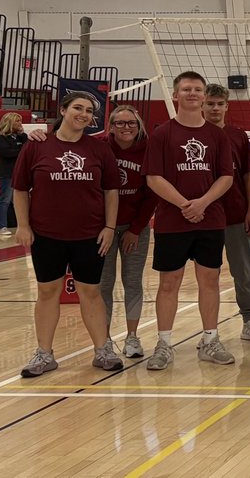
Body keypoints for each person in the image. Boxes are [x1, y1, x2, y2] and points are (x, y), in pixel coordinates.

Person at [13, 91, 122, 377]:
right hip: (46, 235)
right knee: (47, 292)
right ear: (63, 109)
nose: (83, 114)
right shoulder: (37, 146)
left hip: (90, 235)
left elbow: (111, 190)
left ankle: (103, 350)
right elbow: (20, 189)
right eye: (77, 107)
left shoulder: (99, 149)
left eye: (89, 111)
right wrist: (23, 226)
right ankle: (44, 353)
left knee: (91, 292)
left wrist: (109, 227)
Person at [143, 71, 237, 369]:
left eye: (197, 89)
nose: (192, 93)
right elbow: (153, 178)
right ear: (175, 95)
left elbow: (226, 176)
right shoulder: (162, 134)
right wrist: (186, 205)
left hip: (210, 220)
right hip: (173, 221)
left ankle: (210, 340)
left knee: (209, 281)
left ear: (204, 95)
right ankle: (164, 343)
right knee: (169, 283)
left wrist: (203, 203)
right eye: (186, 89)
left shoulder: (216, 135)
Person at [203, 84, 250, 344]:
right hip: (205, 219)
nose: (215, 108)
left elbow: (248, 175)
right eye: (210, 103)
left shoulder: (238, 136)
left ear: (227, 106)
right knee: (208, 276)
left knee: (243, 273)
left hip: (235, 216)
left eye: (220, 104)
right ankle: (210, 331)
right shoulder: (192, 135)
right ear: (202, 105)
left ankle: (249, 321)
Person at [99, 105, 158, 359]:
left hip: (136, 228)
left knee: (132, 282)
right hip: (103, 230)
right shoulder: (99, 147)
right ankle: (104, 339)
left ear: (139, 126)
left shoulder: (148, 150)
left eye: (131, 123)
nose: (126, 128)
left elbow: (151, 194)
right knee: (103, 284)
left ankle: (132, 337)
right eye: (120, 123)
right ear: (111, 126)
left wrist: (135, 229)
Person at [0, 113, 26, 237]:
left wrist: (22, 134)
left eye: (20, 121)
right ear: (10, 122)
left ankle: (23, 224)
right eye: (17, 121)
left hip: (19, 173)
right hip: (7, 173)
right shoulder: (1, 138)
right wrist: (21, 150)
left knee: (20, 200)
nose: (20, 123)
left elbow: (28, 146)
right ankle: (2, 227)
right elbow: (7, 152)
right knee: (5, 200)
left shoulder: (19, 137)